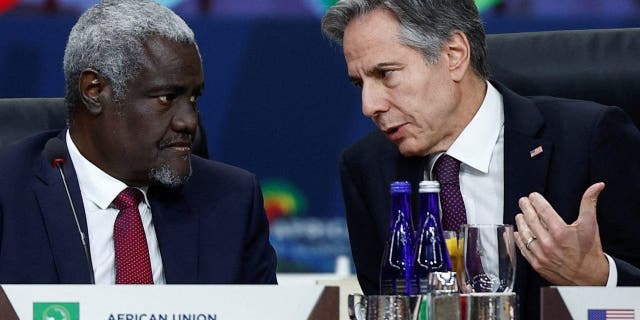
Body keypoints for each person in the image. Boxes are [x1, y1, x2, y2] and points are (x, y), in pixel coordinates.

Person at [321, 0, 640, 318]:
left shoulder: (587, 139)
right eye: (360, 83)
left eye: (386, 74)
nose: (369, 105)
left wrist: (599, 279)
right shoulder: (368, 167)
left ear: (454, 55)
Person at [0, 0, 276, 285]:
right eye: (167, 98)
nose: (189, 122)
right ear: (94, 91)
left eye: (193, 98)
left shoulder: (230, 201)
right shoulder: (8, 191)